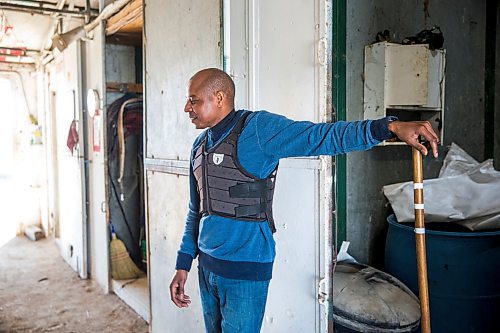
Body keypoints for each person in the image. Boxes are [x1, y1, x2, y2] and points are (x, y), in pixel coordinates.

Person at [169, 68, 439, 333]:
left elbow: (321, 136)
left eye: (193, 100)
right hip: (206, 267)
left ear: (219, 97)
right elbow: (197, 210)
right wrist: (184, 264)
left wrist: (387, 127)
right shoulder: (199, 146)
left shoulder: (258, 130)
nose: (186, 108)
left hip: (245, 271)